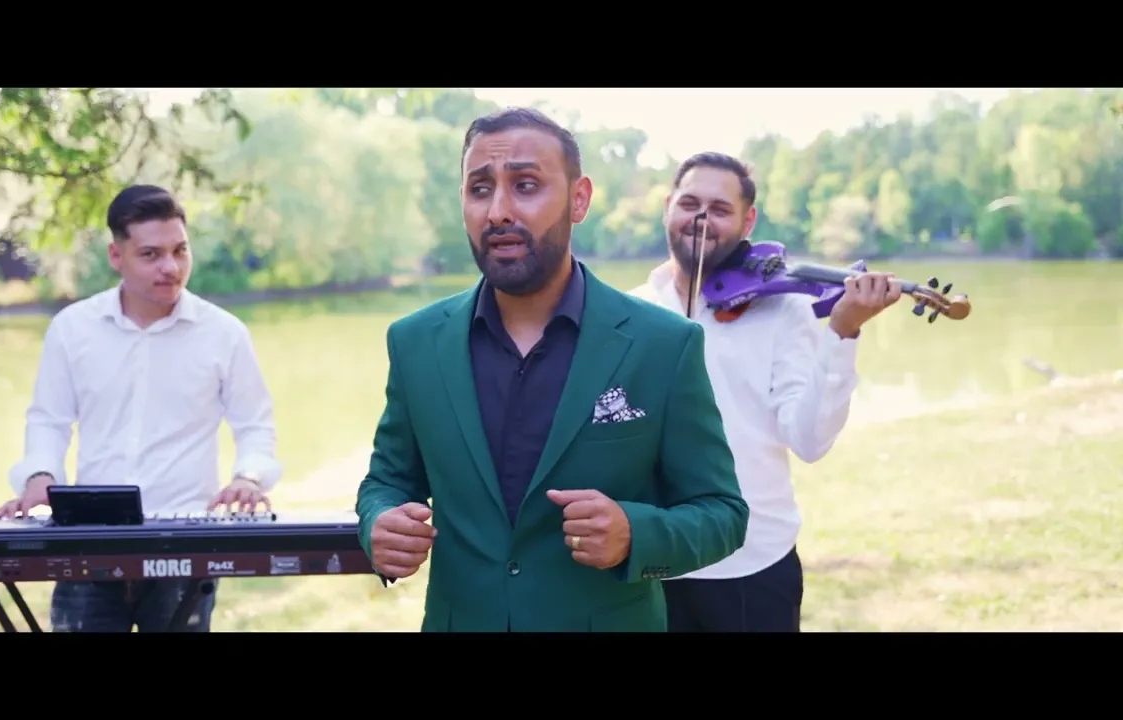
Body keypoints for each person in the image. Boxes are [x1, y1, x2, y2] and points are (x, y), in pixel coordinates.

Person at [354, 108, 749, 632]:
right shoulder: (415, 342)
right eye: (479, 189)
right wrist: (378, 522)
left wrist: (635, 534)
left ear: (578, 199)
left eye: (526, 185)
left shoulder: (664, 345)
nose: (498, 211)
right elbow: (387, 480)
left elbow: (722, 513)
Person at [0, 184, 283, 633]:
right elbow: (49, 420)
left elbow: (255, 425)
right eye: (151, 255)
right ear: (116, 255)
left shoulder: (225, 334)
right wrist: (40, 477)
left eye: (180, 250)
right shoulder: (72, 329)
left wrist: (248, 478)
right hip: (88, 540)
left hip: (186, 540)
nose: (171, 267)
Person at [629, 152, 902, 632]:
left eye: (720, 209)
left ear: (748, 220)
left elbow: (809, 440)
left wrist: (842, 332)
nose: (701, 218)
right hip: (653, 561)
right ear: (668, 206)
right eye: (689, 203)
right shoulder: (633, 311)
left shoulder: (784, 310)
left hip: (752, 564)